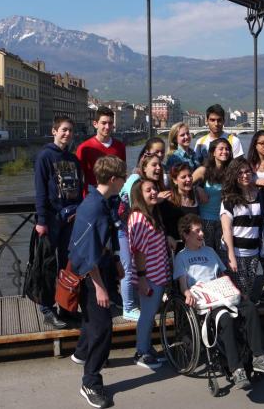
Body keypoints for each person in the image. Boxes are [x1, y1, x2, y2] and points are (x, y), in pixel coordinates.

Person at [173, 213, 264, 390]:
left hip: (222, 292)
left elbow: (223, 275)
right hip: (206, 300)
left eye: (202, 230)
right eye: (197, 231)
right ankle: (236, 368)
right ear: (185, 235)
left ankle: (258, 357)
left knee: (250, 309)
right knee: (225, 319)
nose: (202, 234)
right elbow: (183, 283)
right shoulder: (181, 257)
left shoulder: (209, 251)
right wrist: (186, 293)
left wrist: (237, 291)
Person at [68, 156, 127, 409]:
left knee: (94, 321)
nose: (125, 182)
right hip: (93, 276)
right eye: (123, 178)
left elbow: (104, 239)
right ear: (113, 180)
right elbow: (86, 250)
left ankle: (81, 353)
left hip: (101, 269)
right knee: (102, 328)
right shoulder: (93, 207)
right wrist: (100, 286)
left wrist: (115, 260)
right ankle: (90, 382)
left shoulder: (100, 202)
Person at [33, 116, 84, 329]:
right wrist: (42, 220)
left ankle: (66, 306)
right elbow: (41, 191)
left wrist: (79, 212)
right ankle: (47, 309)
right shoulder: (45, 156)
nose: (67, 134)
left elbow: (79, 190)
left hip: (70, 219)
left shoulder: (72, 159)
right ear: (54, 131)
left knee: (67, 264)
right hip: (51, 220)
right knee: (47, 265)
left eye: (70, 130)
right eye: (63, 130)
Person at [117, 152, 169, 321]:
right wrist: (157, 199)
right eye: (154, 165)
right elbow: (136, 207)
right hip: (124, 228)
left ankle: (140, 299)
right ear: (143, 167)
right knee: (129, 266)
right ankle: (129, 307)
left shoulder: (152, 184)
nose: (158, 168)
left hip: (134, 227)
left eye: (160, 164)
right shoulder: (135, 181)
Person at [129, 178, 170, 369]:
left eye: (155, 188)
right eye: (148, 190)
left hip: (158, 274)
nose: (154, 192)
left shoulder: (152, 214)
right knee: (146, 315)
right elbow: (138, 252)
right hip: (150, 277)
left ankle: (147, 347)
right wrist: (142, 279)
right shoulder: (139, 218)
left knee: (150, 313)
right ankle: (141, 352)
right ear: (139, 195)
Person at [220, 157, 264, 299]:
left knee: (248, 289)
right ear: (234, 176)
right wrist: (231, 257)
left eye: (247, 172)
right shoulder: (229, 199)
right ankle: (242, 319)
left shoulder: (258, 194)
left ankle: (245, 317)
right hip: (237, 252)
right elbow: (227, 229)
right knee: (240, 293)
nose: (245, 175)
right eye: (240, 173)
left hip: (254, 251)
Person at [192, 138, 232, 254]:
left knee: (223, 255)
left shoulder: (231, 171)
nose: (225, 151)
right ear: (213, 152)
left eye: (227, 149)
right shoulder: (203, 170)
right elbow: (186, 186)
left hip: (224, 221)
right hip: (206, 220)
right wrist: (198, 188)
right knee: (207, 253)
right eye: (221, 149)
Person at [76, 106, 127, 195]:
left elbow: (122, 175)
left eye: (110, 123)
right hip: (92, 197)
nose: (107, 127)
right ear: (95, 124)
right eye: (104, 123)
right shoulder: (84, 148)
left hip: (115, 198)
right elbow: (78, 177)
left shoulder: (120, 147)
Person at [159, 162, 200, 250]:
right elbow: (161, 223)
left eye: (190, 175)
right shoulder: (168, 199)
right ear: (174, 180)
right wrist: (168, 236)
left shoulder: (195, 197)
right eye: (183, 177)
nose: (188, 179)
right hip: (175, 247)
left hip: (194, 245)